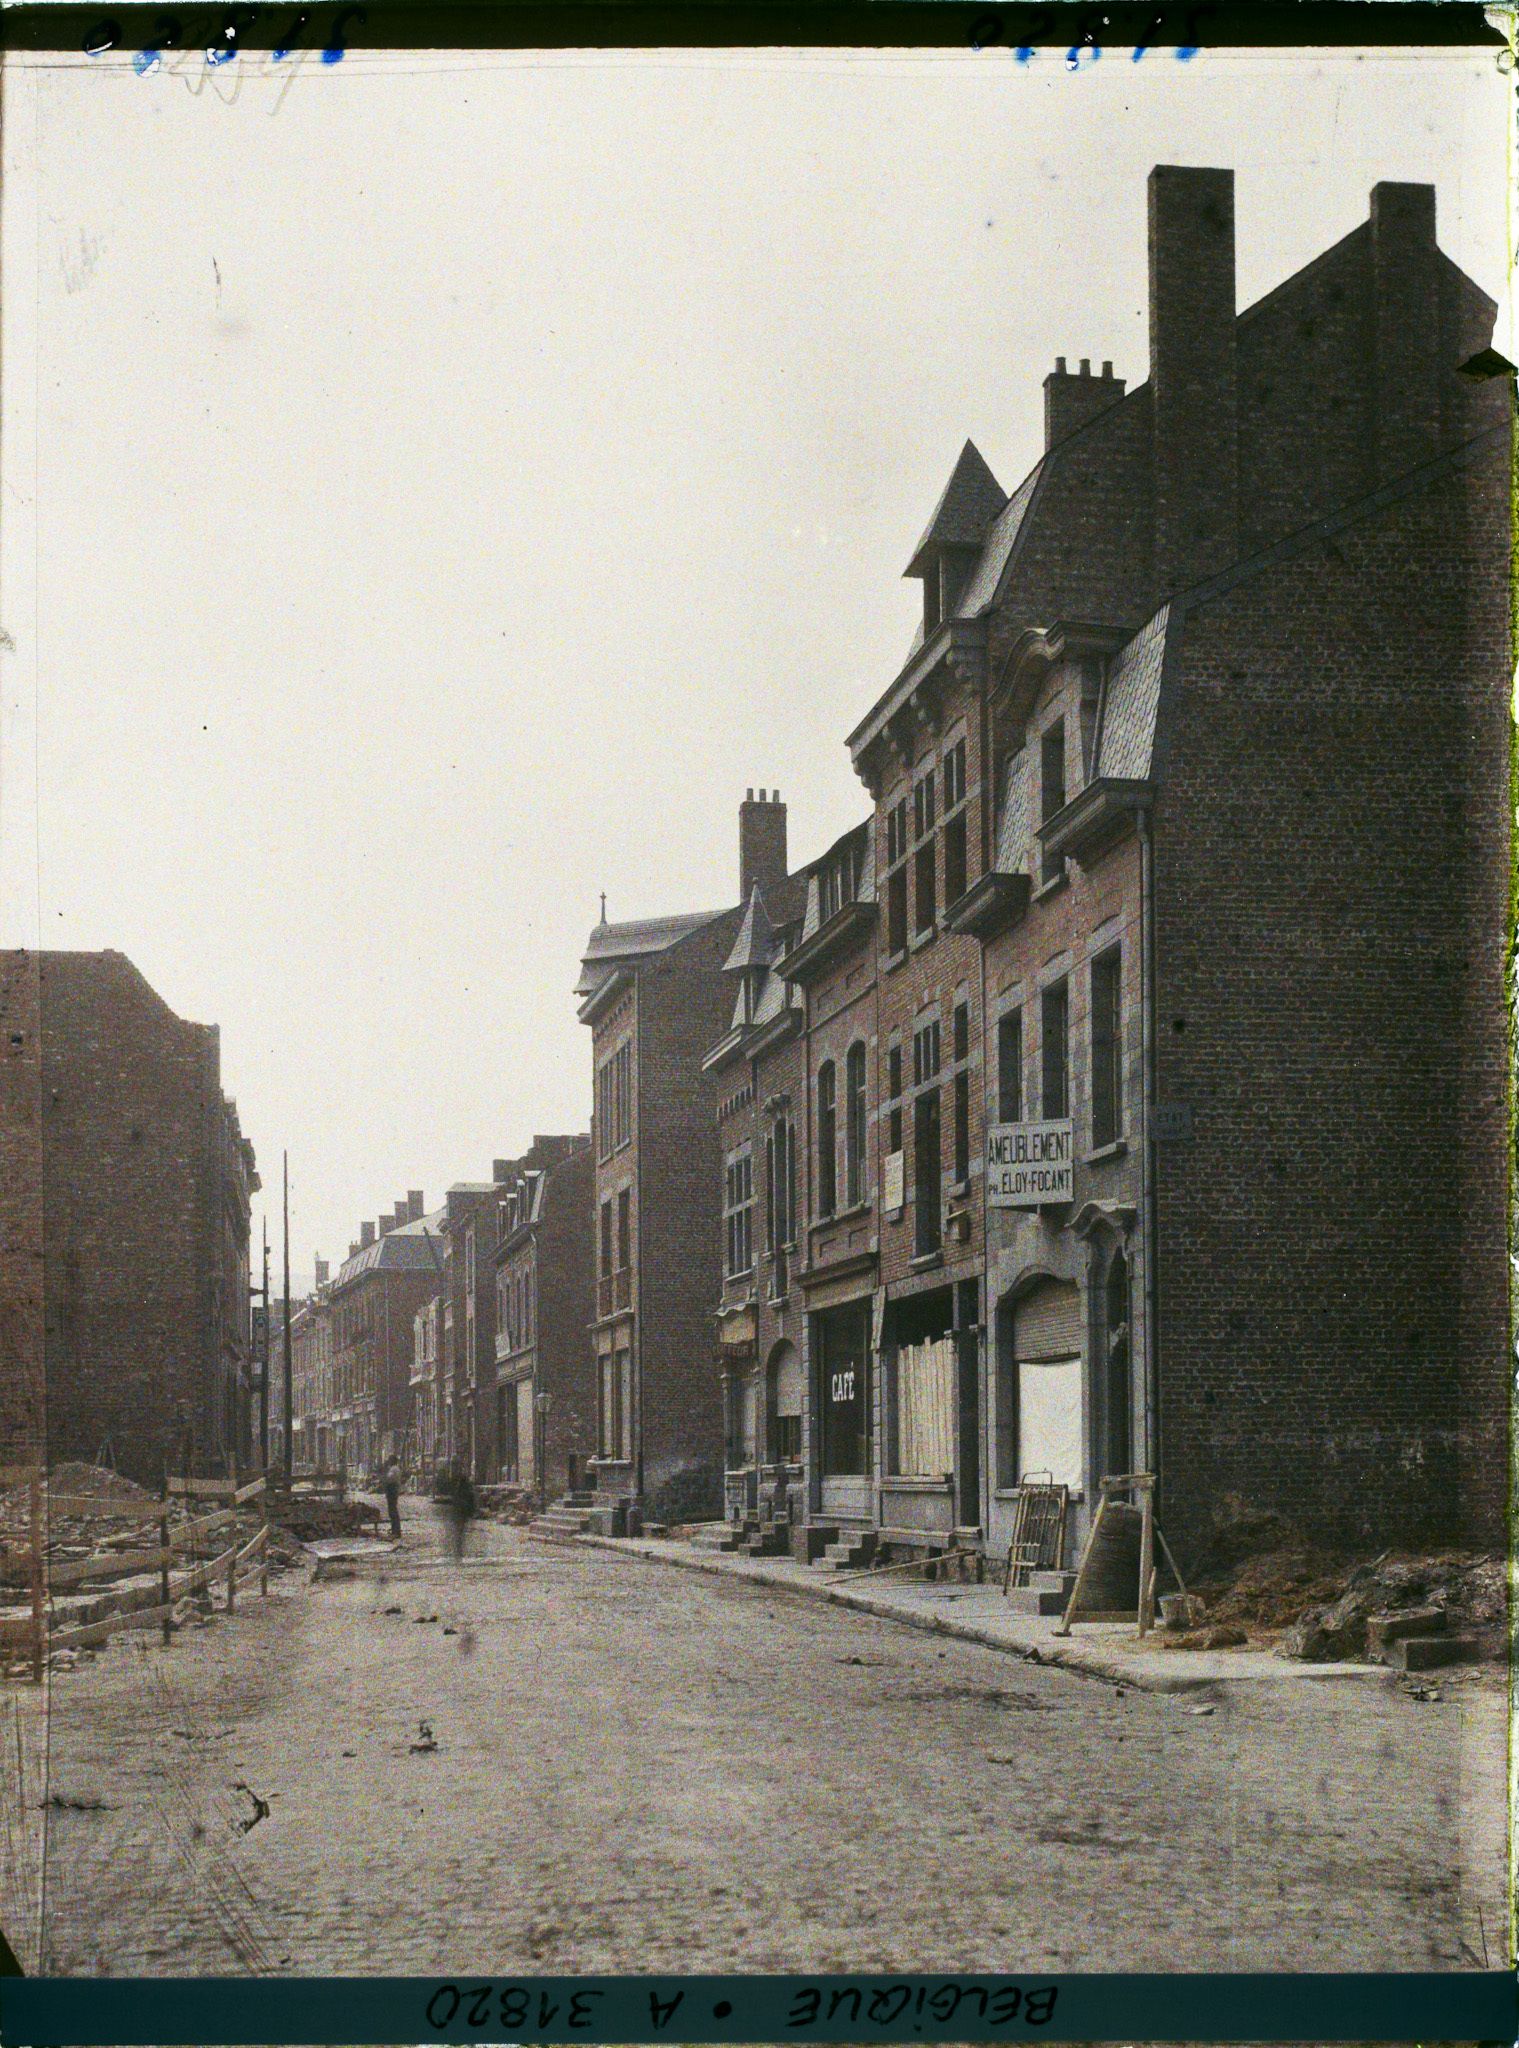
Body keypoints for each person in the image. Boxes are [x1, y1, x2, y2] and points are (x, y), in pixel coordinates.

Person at [381, 1456, 403, 1540]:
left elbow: (389, 1479)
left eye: (389, 1460)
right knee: (393, 1510)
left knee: (392, 1511)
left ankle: (396, 1531)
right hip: (393, 1490)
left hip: (392, 1490)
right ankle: (395, 1530)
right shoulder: (395, 1469)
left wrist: (384, 1476)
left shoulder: (394, 1469)